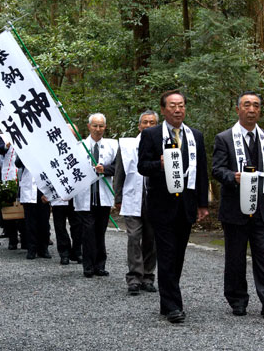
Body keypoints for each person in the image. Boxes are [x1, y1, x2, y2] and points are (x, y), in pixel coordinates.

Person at [212, 91, 264, 318]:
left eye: (255, 105)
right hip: (235, 207)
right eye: (247, 105)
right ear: (238, 109)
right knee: (235, 257)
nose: (251, 109)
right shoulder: (224, 138)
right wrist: (231, 176)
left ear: (260, 110)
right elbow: (217, 169)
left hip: (263, 206)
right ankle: (237, 300)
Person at [137, 90, 209, 324]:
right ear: (163, 110)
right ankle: (173, 306)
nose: (178, 110)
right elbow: (142, 167)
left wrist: (202, 203)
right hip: (161, 205)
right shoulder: (151, 135)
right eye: (173, 106)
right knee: (166, 254)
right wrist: (158, 163)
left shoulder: (194, 136)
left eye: (181, 106)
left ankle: (166, 301)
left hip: (186, 205)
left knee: (177, 256)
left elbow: (202, 172)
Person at [114, 110, 159, 295]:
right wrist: (117, 197)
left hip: (155, 199)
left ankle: (148, 276)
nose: (148, 126)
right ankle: (134, 277)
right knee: (133, 237)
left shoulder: (163, 144)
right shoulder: (127, 145)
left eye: (152, 123)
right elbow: (119, 172)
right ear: (139, 125)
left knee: (151, 239)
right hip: (132, 198)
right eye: (145, 122)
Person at [74, 113, 118, 278]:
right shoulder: (80, 146)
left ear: (105, 127)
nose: (98, 129)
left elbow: (118, 167)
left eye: (101, 126)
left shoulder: (113, 146)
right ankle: (88, 266)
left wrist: (104, 170)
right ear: (89, 126)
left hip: (103, 196)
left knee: (100, 232)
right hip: (85, 197)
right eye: (95, 126)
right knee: (88, 232)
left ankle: (100, 265)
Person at [51, 125, 82, 265]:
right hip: (59, 194)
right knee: (59, 225)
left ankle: (77, 252)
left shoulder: (81, 148)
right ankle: (64, 252)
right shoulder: (52, 149)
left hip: (77, 193)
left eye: (72, 133)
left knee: (77, 224)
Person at [15, 158, 51, 259]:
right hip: (29, 189)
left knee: (44, 223)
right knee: (30, 223)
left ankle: (43, 249)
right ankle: (31, 249)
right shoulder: (24, 149)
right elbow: (17, 164)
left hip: (43, 190)